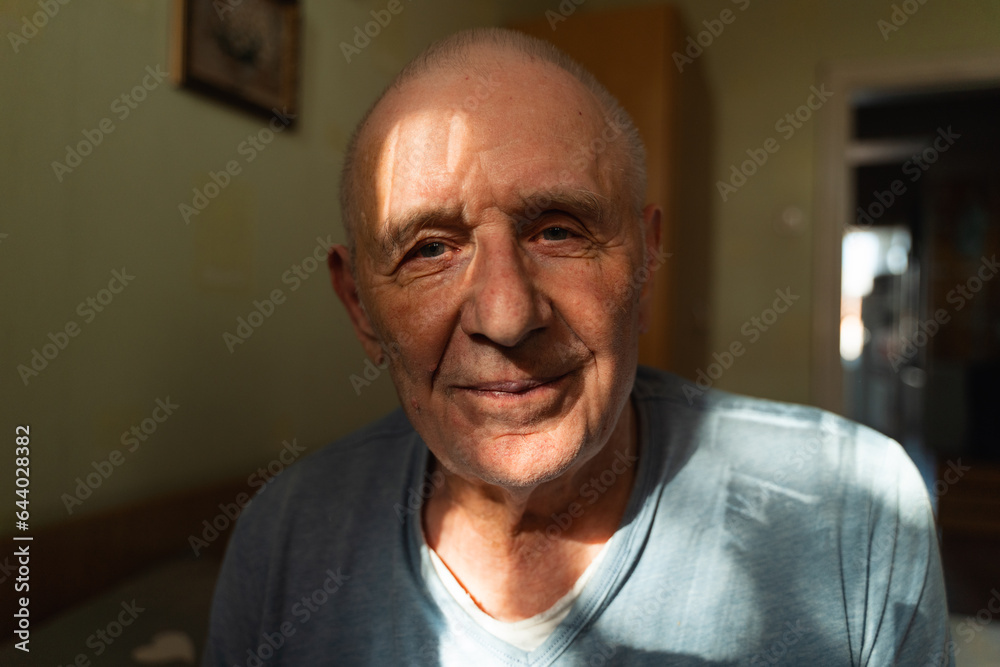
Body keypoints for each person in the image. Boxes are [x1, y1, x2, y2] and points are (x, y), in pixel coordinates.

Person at [203, 28, 954, 666]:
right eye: (430, 248)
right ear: (361, 309)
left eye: (558, 231)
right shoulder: (283, 540)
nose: (506, 316)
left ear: (646, 265)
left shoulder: (856, 511)